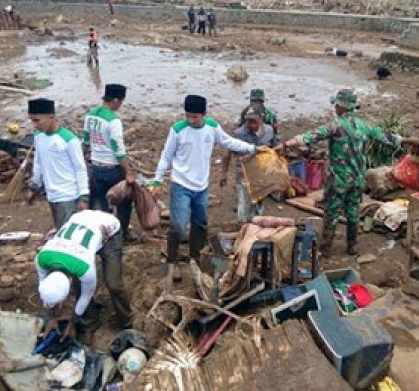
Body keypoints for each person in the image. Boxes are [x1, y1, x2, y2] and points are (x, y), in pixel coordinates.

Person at [282, 89, 419, 257]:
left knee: (332, 212)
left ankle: (325, 248)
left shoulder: (336, 125)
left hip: (339, 179)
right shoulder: (364, 126)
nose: (335, 108)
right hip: (357, 179)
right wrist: (413, 141)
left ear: (341, 106)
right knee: (353, 211)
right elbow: (388, 137)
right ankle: (352, 246)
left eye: (336, 105)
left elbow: (310, 136)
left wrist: (285, 145)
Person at [151, 95, 265, 291]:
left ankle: (195, 258)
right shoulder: (178, 130)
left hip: (201, 187)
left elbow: (229, 142)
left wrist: (253, 149)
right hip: (180, 184)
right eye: (188, 116)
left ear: (203, 114)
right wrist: (157, 180)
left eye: (195, 117)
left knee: (200, 223)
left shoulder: (211, 127)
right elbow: (166, 156)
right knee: (178, 226)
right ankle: (173, 261)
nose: (191, 120)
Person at [36, 210, 132, 341]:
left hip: (108, 230)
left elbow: (85, 297)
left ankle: (126, 322)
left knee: (113, 283)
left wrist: (72, 323)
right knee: (81, 286)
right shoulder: (42, 258)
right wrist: (52, 319)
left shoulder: (84, 268)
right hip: (79, 220)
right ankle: (90, 323)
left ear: (70, 281)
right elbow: (44, 287)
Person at [26, 98, 89, 230]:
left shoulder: (69, 140)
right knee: (60, 229)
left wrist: (84, 197)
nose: (35, 125)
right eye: (32, 121)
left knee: (67, 235)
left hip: (68, 196)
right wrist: (34, 186)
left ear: (51, 117)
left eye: (37, 120)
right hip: (52, 195)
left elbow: (80, 169)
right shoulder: (39, 136)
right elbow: (38, 162)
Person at [84, 84, 136, 241]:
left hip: (96, 167)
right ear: (115, 100)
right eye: (121, 102)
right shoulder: (114, 121)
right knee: (124, 202)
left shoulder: (91, 115)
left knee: (101, 202)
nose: (120, 105)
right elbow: (118, 150)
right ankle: (121, 233)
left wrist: (87, 157)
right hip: (112, 169)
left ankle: (102, 235)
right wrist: (128, 172)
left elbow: (86, 141)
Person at [220, 105, 279, 223]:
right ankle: (243, 224)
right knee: (244, 201)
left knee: (259, 199)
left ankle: (256, 223)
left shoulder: (269, 130)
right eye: (248, 121)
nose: (251, 125)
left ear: (261, 118)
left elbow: (275, 147)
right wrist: (224, 173)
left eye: (254, 121)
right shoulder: (239, 133)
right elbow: (227, 154)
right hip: (244, 172)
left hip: (262, 172)